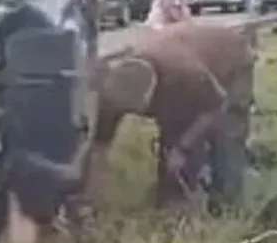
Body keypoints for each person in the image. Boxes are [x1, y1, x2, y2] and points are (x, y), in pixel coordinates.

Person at [87, 20, 254, 207]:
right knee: (174, 133)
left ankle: (227, 202)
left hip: (231, 62)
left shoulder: (184, 74)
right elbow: (100, 143)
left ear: (156, 92)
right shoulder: (115, 87)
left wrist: (182, 148)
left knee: (226, 135)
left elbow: (215, 107)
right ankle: (174, 198)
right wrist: (94, 181)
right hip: (186, 53)